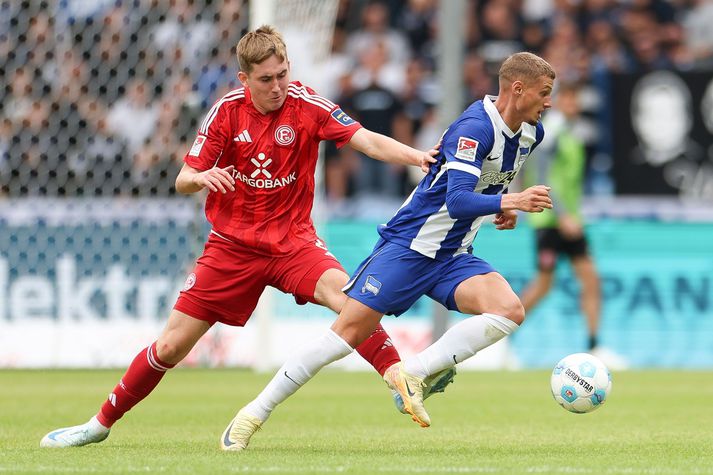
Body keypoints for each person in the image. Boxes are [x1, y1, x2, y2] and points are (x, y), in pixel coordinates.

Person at [39, 25, 449, 448]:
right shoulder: (226, 112)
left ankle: (399, 381)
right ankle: (98, 424)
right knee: (171, 347)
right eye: (266, 79)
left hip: (293, 242)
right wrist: (203, 175)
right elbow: (182, 179)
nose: (278, 86)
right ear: (244, 79)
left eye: (283, 74)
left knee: (350, 301)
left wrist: (415, 155)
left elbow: (365, 140)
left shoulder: (308, 104)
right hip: (232, 247)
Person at [221, 52, 556, 451]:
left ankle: (412, 372)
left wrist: (503, 204)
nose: (548, 102)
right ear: (517, 89)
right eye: (544, 93)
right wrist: (511, 202)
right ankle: (252, 415)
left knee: (508, 309)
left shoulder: (531, 133)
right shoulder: (474, 128)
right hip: (409, 247)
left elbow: (489, 182)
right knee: (344, 335)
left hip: (453, 255)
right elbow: (459, 201)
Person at [519, 83, 628, 369]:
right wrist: (563, 213)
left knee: (591, 280)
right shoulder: (552, 132)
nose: (572, 105)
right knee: (543, 284)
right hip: (550, 220)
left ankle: (594, 345)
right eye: (567, 99)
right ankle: (500, 341)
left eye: (575, 100)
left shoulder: (571, 133)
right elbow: (542, 173)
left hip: (570, 220)